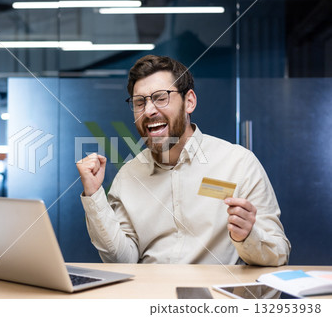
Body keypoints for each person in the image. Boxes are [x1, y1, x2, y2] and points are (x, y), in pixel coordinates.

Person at [76, 55, 290, 266]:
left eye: (161, 97)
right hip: (150, 296)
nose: (149, 110)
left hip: (213, 298)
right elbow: (122, 261)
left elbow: (278, 254)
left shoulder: (238, 164)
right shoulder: (128, 176)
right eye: (139, 102)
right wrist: (94, 196)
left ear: (189, 102)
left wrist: (248, 235)